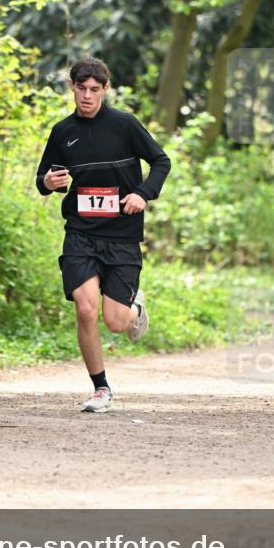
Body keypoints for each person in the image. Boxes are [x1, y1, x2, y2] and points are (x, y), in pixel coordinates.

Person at [36, 56, 171, 414]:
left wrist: (143, 194)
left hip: (122, 235)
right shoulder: (63, 132)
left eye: (95, 90)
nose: (87, 96)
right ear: (72, 87)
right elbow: (45, 178)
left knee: (115, 322)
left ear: (105, 90)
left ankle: (135, 308)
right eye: (81, 89)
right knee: (84, 308)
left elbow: (161, 161)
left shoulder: (125, 126)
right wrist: (48, 182)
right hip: (81, 232)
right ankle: (101, 388)